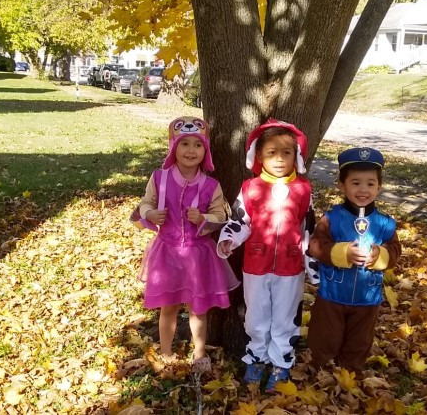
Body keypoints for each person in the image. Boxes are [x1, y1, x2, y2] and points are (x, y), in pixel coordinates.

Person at [131, 116, 240, 374]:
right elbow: (146, 203)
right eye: (184, 144)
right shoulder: (159, 179)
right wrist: (149, 214)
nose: (191, 150)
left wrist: (205, 219)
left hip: (197, 255)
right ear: (173, 147)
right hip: (167, 253)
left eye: (197, 145)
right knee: (167, 306)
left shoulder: (210, 185)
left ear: (205, 150)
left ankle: (199, 351)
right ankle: (166, 350)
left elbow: (221, 215)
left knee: (197, 308)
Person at [217, 118, 318, 392]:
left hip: (290, 267)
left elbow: (308, 227)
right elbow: (241, 219)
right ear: (258, 156)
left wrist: (312, 264)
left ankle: (281, 362)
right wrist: (229, 239)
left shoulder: (303, 189)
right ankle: (257, 358)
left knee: (286, 316)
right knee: (256, 315)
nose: (279, 159)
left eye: (286, 152)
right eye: (271, 153)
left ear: (296, 155)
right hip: (256, 265)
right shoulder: (251, 188)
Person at [307, 146, 402, 373]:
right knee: (325, 335)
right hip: (333, 293)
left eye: (370, 184)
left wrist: (382, 255)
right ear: (342, 185)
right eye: (355, 183)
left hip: (367, 297)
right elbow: (316, 245)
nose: (363, 190)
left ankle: (350, 370)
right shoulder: (332, 218)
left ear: (379, 187)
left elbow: (395, 249)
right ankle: (320, 367)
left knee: (359, 339)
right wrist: (342, 253)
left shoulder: (385, 223)